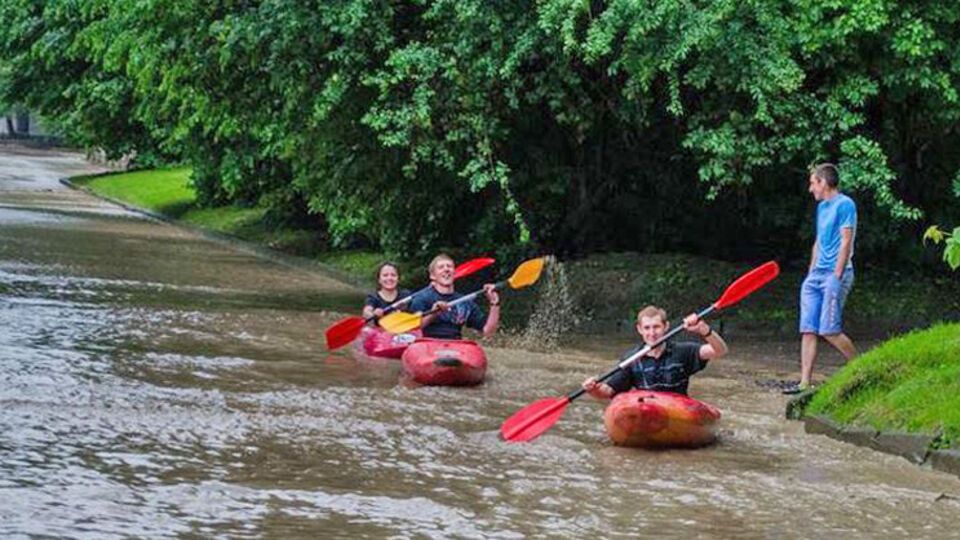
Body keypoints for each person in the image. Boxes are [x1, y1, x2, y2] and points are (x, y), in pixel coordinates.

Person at [784, 163, 858, 394]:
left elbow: (846, 241)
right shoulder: (822, 207)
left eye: (813, 183)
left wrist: (836, 275)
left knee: (829, 330)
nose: (810, 189)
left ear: (823, 182)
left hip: (836, 274)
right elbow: (819, 241)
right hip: (816, 275)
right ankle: (804, 383)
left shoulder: (845, 204)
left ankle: (861, 367)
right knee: (808, 329)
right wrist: (810, 274)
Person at [582, 305, 728, 398]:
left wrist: (704, 330)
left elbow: (720, 351)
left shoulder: (683, 351)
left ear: (666, 327)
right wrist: (594, 388)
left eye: (656, 327)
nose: (652, 333)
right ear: (639, 329)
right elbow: (608, 391)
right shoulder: (631, 359)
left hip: (677, 410)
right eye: (647, 328)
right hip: (647, 409)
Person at [408, 253, 500, 339]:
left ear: (454, 273)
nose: (446, 269)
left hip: (455, 345)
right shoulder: (421, 298)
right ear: (432, 276)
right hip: (427, 344)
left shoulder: (465, 301)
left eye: (449, 266)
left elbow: (488, 332)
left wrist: (494, 304)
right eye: (441, 267)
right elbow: (412, 330)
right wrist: (433, 314)